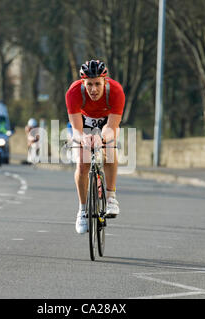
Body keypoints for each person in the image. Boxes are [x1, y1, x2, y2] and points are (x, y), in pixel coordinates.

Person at [65, 60, 125, 234]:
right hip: (83, 123)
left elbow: (112, 127)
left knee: (110, 148)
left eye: (97, 84)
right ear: (83, 83)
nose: (93, 89)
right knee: (82, 164)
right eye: (89, 84)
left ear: (105, 81)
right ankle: (83, 210)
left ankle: (111, 198)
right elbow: (76, 129)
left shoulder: (116, 92)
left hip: (107, 122)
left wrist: (101, 138)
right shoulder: (74, 93)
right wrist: (84, 138)